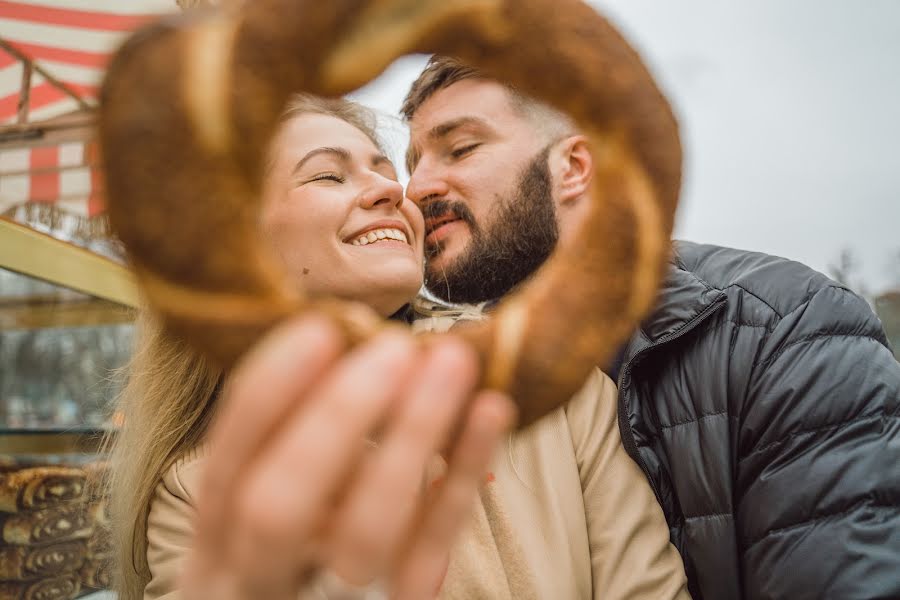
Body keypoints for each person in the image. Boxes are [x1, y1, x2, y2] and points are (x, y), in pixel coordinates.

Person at [106, 94, 689, 600]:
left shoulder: (548, 382)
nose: (392, 189)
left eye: (384, 170)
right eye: (328, 176)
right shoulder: (202, 490)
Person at [400, 56, 900, 600]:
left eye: (461, 148)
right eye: (412, 162)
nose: (416, 186)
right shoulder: (443, 375)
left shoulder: (785, 332)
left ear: (574, 167)